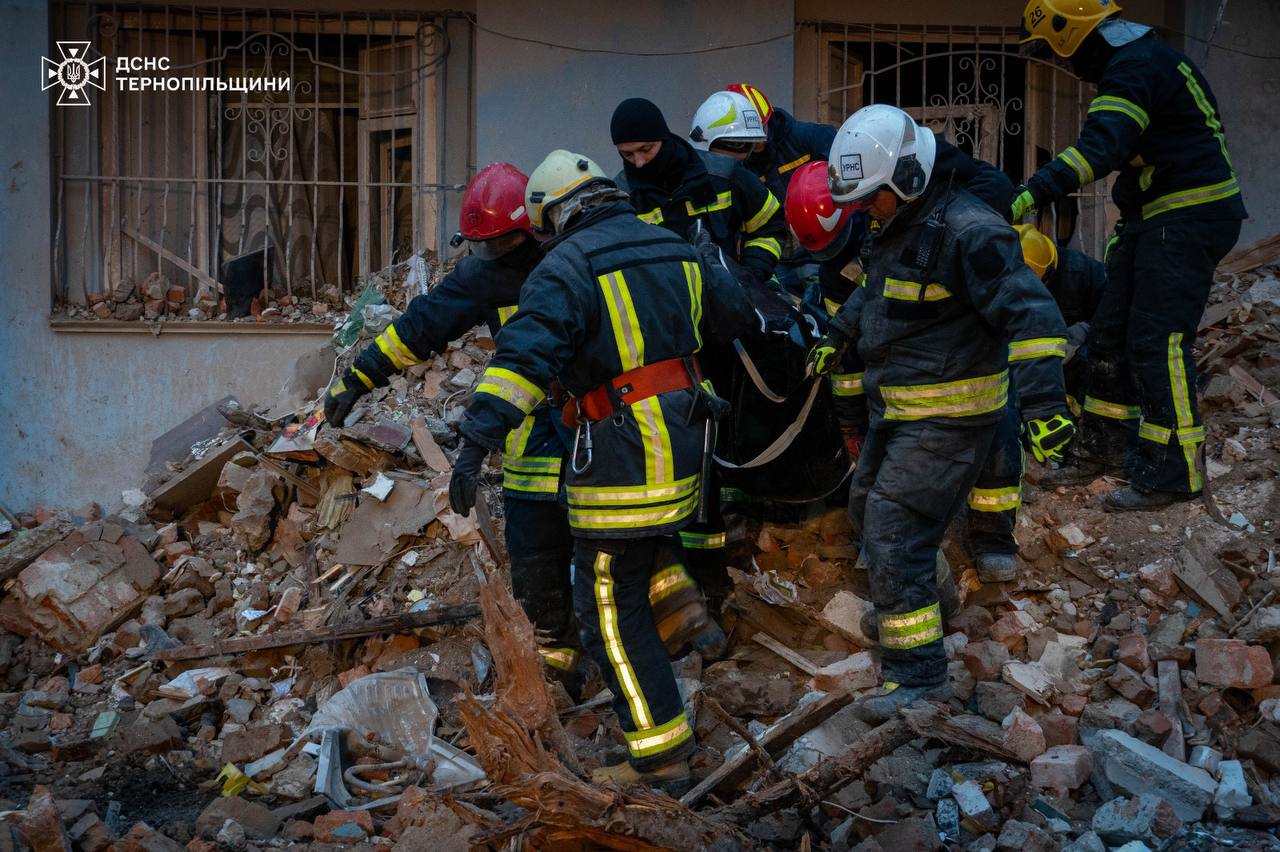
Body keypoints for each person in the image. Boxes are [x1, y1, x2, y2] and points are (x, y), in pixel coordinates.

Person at [447, 150, 753, 791]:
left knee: (606, 607)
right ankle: (687, 625)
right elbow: (737, 318)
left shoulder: (565, 265)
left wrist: (477, 442)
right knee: (640, 566)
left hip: (623, 455)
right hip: (686, 446)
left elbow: (522, 361)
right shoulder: (673, 246)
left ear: (554, 215)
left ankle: (662, 755)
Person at [807, 105, 1072, 721]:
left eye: (871, 197)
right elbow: (879, 297)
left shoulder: (971, 232)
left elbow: (1033, 318)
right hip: (898, 412)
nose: (862, 210)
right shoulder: (900, 226)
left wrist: (1044, 406)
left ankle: (918, 674)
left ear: (904, 178)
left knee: (896, 531)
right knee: (868, 512)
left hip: (950, 416)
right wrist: (838, 334)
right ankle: (925, 605)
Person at [323, 164, 583, 683]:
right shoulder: (484, 274)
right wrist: (359, 376)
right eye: (482, 246)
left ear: (534, 227)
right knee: (534, 546)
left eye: (501, 243)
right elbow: (423, 324)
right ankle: (557, 670)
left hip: (594, 421)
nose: (492, 256)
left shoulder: (572, 259)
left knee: (608, 542)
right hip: (529, 422)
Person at [1014, 0, 1246, 510]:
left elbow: (1099, 150)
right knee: (1110, 333)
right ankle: (1107, 447)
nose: (1066, 66)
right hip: (1156, 217)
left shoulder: (1133, 67)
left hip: (1188, 214)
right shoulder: (1141, 61)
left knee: (1157, 341)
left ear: (1070, 35)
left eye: (1057, 51)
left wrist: (1029, 192)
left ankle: (1175, 472)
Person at [786, 141, 1024, 586]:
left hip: (967, 345)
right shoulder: (843, 263)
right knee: (892, 483)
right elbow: (853, 351)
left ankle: (993, 535)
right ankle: (898, 556)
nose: (835, 259)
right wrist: (853, 421)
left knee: (995, 426)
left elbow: (994, 202)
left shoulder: (933, 199)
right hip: (903, 376)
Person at [611, 96, 788, 619]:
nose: (639, 163)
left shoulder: (724, 176)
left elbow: (771, 226)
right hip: (669, 343)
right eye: (627, 155)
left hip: (734, 325)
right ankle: (706, 573)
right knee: (695, 444)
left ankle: (756, 500)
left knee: (748, 413)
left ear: (667, 137)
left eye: (646, 150)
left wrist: (751, 278)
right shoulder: (623, 199)